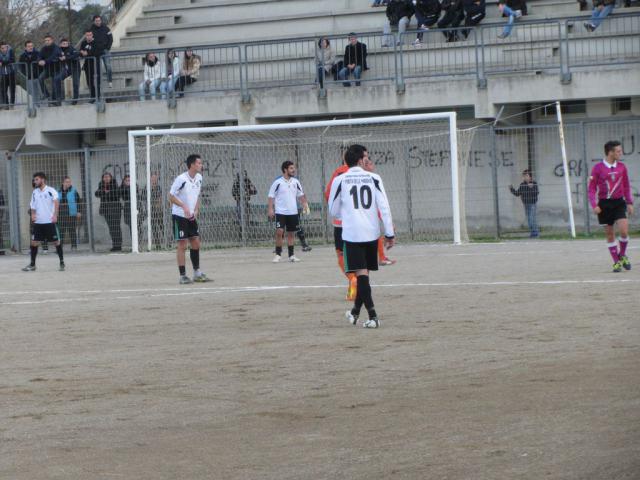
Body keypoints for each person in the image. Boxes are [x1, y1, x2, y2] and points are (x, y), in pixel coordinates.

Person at [328, 144, 395, 329]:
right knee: (363, 273)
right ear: (359, 160)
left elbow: (333, 210)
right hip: (372, 233)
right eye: (365, 156)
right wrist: (389, 233)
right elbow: (384, 207)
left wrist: (347, 213)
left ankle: (373, 316)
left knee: (361, 275)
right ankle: (355, 312)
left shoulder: (340, 179)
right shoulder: (374, 178)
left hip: (352, 234)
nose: (368, 159)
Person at [588, 140, 634, 272]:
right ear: (610, 152)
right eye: (618, 151)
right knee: (610, 234)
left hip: (619, 202)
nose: (621, 153)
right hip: (604, 204)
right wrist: (594, 205)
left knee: (624, 231)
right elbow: (591, 189)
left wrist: (629, 202)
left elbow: (626, 186)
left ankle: (622, 255)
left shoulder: (622, 167)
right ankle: (616, 262)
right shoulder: (597, 168)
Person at [168, 154, 211, 284]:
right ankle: (182, 276)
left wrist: (196, 210)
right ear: (192, 165)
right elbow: (171, 196)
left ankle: (197, 273)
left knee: (196, 242)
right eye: (199, 163)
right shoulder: (181, 179)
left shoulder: (199, 178)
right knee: (182, 244)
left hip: (191, 216)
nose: (201, 165)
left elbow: (197, 195)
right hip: (179, 215)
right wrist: (184, 206)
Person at [325, 154, 358, 301]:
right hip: (357, 221)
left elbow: (328, 193)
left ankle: (352, 279)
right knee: (357, 255)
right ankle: (358, 286)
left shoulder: (338, 173)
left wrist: (336, 209)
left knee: (341, 254)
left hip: (340, 222)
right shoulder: (364, 174)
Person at [267, 160, 310, 263]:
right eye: (291, 168)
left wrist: (305, 205)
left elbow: (301, 194)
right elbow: (271, 196)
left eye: (293, 168)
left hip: (293, 212)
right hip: (280, 212)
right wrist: (270, 209)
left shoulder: (296, 182)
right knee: (279, 232)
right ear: (285, 170)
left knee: (291, 233)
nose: (293, 170)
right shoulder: (278, 182)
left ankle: (291, 255)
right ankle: (278, 254)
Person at [22, 172, 65, 272]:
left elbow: (56, 202)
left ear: (42, 179)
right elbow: (32, 205)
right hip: (38, 222)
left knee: (56, 242)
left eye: (37, 179)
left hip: (49, 222)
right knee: (34, 242)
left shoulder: (51, 190)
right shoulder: (35, 192)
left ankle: (62, 262)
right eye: (34, 180)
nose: (35, 181)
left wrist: (55, 215)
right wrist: (33, 214)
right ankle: (32, 264)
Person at [362, 151, 396, 265]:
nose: (370, 162)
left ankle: (380, 257)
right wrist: (389, 227)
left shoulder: (371, 179)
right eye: (367, 161)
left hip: (365, 216)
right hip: (361, 217)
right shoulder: (372, 179)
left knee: (375, 234)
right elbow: (381, 205)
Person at [95, 172, 122, 252]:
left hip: (115, 209)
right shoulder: (101, 185)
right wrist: (104, 192)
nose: (106, 178)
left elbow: (116, 194)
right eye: (105, 177)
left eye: (108, 177)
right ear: (103, 178)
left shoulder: (114, 185)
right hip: (106, 209)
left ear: (111, 178)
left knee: (116, 227)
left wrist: (107, 192)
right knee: (111, 228)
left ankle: (118, 245)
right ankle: (115, 244)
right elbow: (96, 193)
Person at [509, 169, 539, 238]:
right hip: (526, 204)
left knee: (532, 219)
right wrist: (511, 189)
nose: (525, 177)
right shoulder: (522, 185)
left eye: (526, 175)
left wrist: (531, 188)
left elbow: (536, 193)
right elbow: (517, 193)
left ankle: (535, 232)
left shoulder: (534, 183)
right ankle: (533, 233)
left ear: (530, 176)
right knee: (529, 219)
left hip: (532, 204)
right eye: (524, 176)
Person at [37, 34, 62, 106]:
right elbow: (39, 56)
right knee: (40, 78)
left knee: (55, 86)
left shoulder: (56, 48)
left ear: (52, 40)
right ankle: (46, 94)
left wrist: (45, 61)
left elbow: (53, 56)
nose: (47, 42)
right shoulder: (43, 49)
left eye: (48, 40)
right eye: (45, 41)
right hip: (48, 69)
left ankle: (56, 101)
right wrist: (39, 61)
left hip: (57, 69)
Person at [58, 176, 81, 250]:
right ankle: (60, 247)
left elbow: (79, 202)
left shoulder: (74, 191)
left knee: (72, 230)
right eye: (67, 182)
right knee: (61, 231)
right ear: (63, 183)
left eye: (69, 182)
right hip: (61, 213)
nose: (68, 183)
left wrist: (79, 211)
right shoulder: (58, 191)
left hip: (71, 212)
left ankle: (74, 246)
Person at [90, 15, 113, 88]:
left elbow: (110, 38)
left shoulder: (106, 28)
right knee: (97, 69)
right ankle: (99, 84)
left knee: (108, 66)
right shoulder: (91, 30)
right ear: (94, 21)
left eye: (99, 20)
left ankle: (110, 81)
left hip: (105, 50)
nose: (98, 22)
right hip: (96, 52)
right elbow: (89, 40)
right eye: (96, 21)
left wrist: (108, 48)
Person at [79, 30, 102, 101]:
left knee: (97, 81)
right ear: (85, 36)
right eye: (87, 35)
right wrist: (82, 52)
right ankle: (92, 97)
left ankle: (98, 96)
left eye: (90, 35)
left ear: (92, 35)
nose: (88, 37)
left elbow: (96, 52)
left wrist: (87, 53)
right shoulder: (83, 43)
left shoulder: (96, 42)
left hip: (95, 64)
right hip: (87, 65)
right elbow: (80, 52)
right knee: (89, 82)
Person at [56, 38, 80, 105]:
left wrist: (66, 57)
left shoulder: (71, 48)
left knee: (75, 84)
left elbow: (76, 54)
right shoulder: (58, 50)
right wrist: (59, 58)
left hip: (75, 68)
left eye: (66, 44)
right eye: (64, 44)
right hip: (67, 69)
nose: (65, 45)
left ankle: (75, 100)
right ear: (60, 44)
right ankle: (59, 98)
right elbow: (55, 56)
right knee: (57, 79)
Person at [18, 40, 41, 107]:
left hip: (37, 75)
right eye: (29, 46)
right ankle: (34, 105)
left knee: (38, 90)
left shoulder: (38, 53)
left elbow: (41, 63)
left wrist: (40, 73)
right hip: (29, 76)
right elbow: (21, 66)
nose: (31, 47)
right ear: (25, 47)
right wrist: (25, 74)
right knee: (31, 91)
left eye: (31, 46)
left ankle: (38, 104)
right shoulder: (22, 56)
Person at [150, 172, 165, 247]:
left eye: (155, 178)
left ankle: (166, 241)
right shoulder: (147, 188)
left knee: (161, 225)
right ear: (150, 179)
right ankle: (157, 244)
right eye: (152, 178)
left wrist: (157, 204)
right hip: (151, 209)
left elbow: (160, 198)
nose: (154, 179)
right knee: (154, 227)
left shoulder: (159, 187)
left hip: (158, 209)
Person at [0, 42, 16, 108]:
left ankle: (12, 104)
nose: (4, 49)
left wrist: (2, 62)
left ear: (7, 47)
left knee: (12, 90)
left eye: (5, 48)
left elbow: (12, 60)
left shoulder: (10, 51)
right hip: (3, 74)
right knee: (3, 90)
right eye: (2, 48)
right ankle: (6, 105)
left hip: (11, 73)